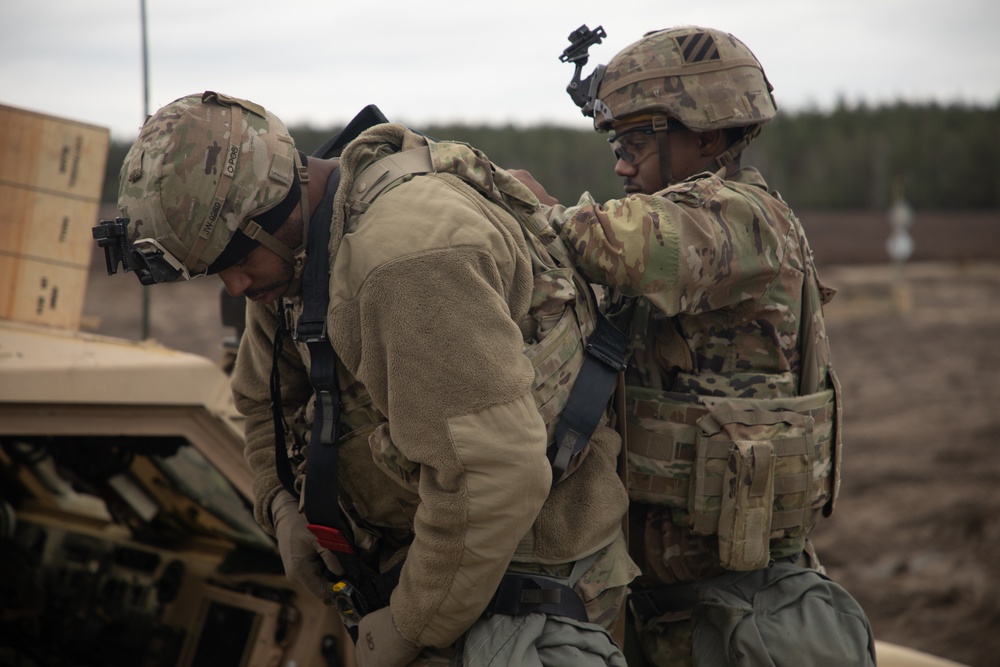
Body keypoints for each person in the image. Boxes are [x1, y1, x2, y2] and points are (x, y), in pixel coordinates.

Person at [99, 91, 639, 666]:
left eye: (233, 262)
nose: (232, 288)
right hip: (429, 565)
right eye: (214, 271)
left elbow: (496, 475)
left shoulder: (405, 263)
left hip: (527, 584)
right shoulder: (292, 250)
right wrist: (283, 505)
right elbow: (262, 400)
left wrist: (409, 625)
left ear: (270, 215)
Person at [511, 26, 877, 666]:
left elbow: (613, 243)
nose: (621, 163)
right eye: (616, 143)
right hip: (665, 604)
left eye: (633, 142)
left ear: (706, 136)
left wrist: (507, 199)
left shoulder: (742, 217)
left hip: (735, 615)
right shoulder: (693, 215)